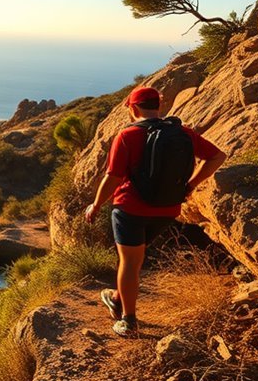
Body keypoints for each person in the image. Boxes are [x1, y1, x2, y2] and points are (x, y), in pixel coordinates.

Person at [85, 86, 226, 337]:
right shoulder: (182, 132)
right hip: (167, 209)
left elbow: (114, 177)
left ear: (133, 108)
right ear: (158, 106)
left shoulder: (127, 135)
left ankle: (128, 321)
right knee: (132, 259)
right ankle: (118, 298)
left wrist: (96, 205)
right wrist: (190, 185)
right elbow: (217, 156)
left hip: (130, 209)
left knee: (129, 261)